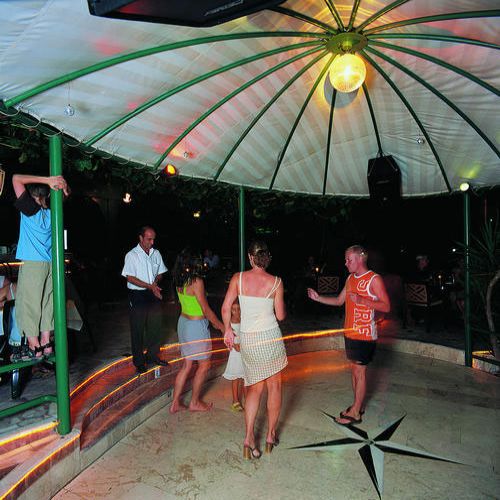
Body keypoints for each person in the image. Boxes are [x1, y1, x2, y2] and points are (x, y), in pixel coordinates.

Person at [308, 245, 390, 425]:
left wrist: (362, 300)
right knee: (354, 372)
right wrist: (318, 298)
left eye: (349, 260)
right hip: (350, 332)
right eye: (345, 260)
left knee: (359, 372)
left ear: (360, 259)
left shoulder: (374, 279)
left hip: (365, 334)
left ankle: (356, 413)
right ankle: (357, 406)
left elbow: (386, 306)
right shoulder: (350, 278)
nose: (345, 263)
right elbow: (339, 301)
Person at [222, 241, 287, 459]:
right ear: (266, 257)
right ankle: (270, 436)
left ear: (251, 257)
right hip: (270, 339)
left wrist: (228, 330)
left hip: (249, 340)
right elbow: (280, 316)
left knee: (254, 390)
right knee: (274, 387)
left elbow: (225, 308)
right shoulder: (276, 282)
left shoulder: (238, 278)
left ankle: (249, 438)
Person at [13, 173, 70, 358]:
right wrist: (62, 185)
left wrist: (48, 180)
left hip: (33, 263)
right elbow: (65, 193)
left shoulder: (30, 209)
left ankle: (34, 344)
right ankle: (46, 341)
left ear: (34, 196)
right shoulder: (53, 212)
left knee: (28, 301)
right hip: (51, 263)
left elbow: (16, 179)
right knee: (48, 301)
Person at [170, 251, 224, 413]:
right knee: (204, 365)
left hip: (183, 322)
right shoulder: (196, 281)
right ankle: (194, 402)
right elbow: (206, 310)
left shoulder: (179, 279)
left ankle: (175, 403)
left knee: (187, 365)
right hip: (195, 326)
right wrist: (221, 326)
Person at [122, 226, 169, 374]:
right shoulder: (132, 255)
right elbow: (130, 278)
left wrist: (155, 283)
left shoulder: (156, 253)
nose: (152, 242)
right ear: (141, 238)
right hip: (138, 295)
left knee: (155, 326)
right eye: (149, 239)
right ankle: (139, 362)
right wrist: (150, 286)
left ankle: (152, 356)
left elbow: (161, 273)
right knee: (138, 329)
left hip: (153, 292)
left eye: (153, 239)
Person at [222, 299, 245, 413]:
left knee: (245, 377)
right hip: (235, 354)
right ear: (230, 310)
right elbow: (227, 338)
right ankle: (235, 401)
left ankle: (248, 399)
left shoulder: (244, 320)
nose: (237, 312)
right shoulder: (229, 323)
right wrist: (233, 345)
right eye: (234, 309)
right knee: (236, 377)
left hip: (244, 351)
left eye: (239, 309)